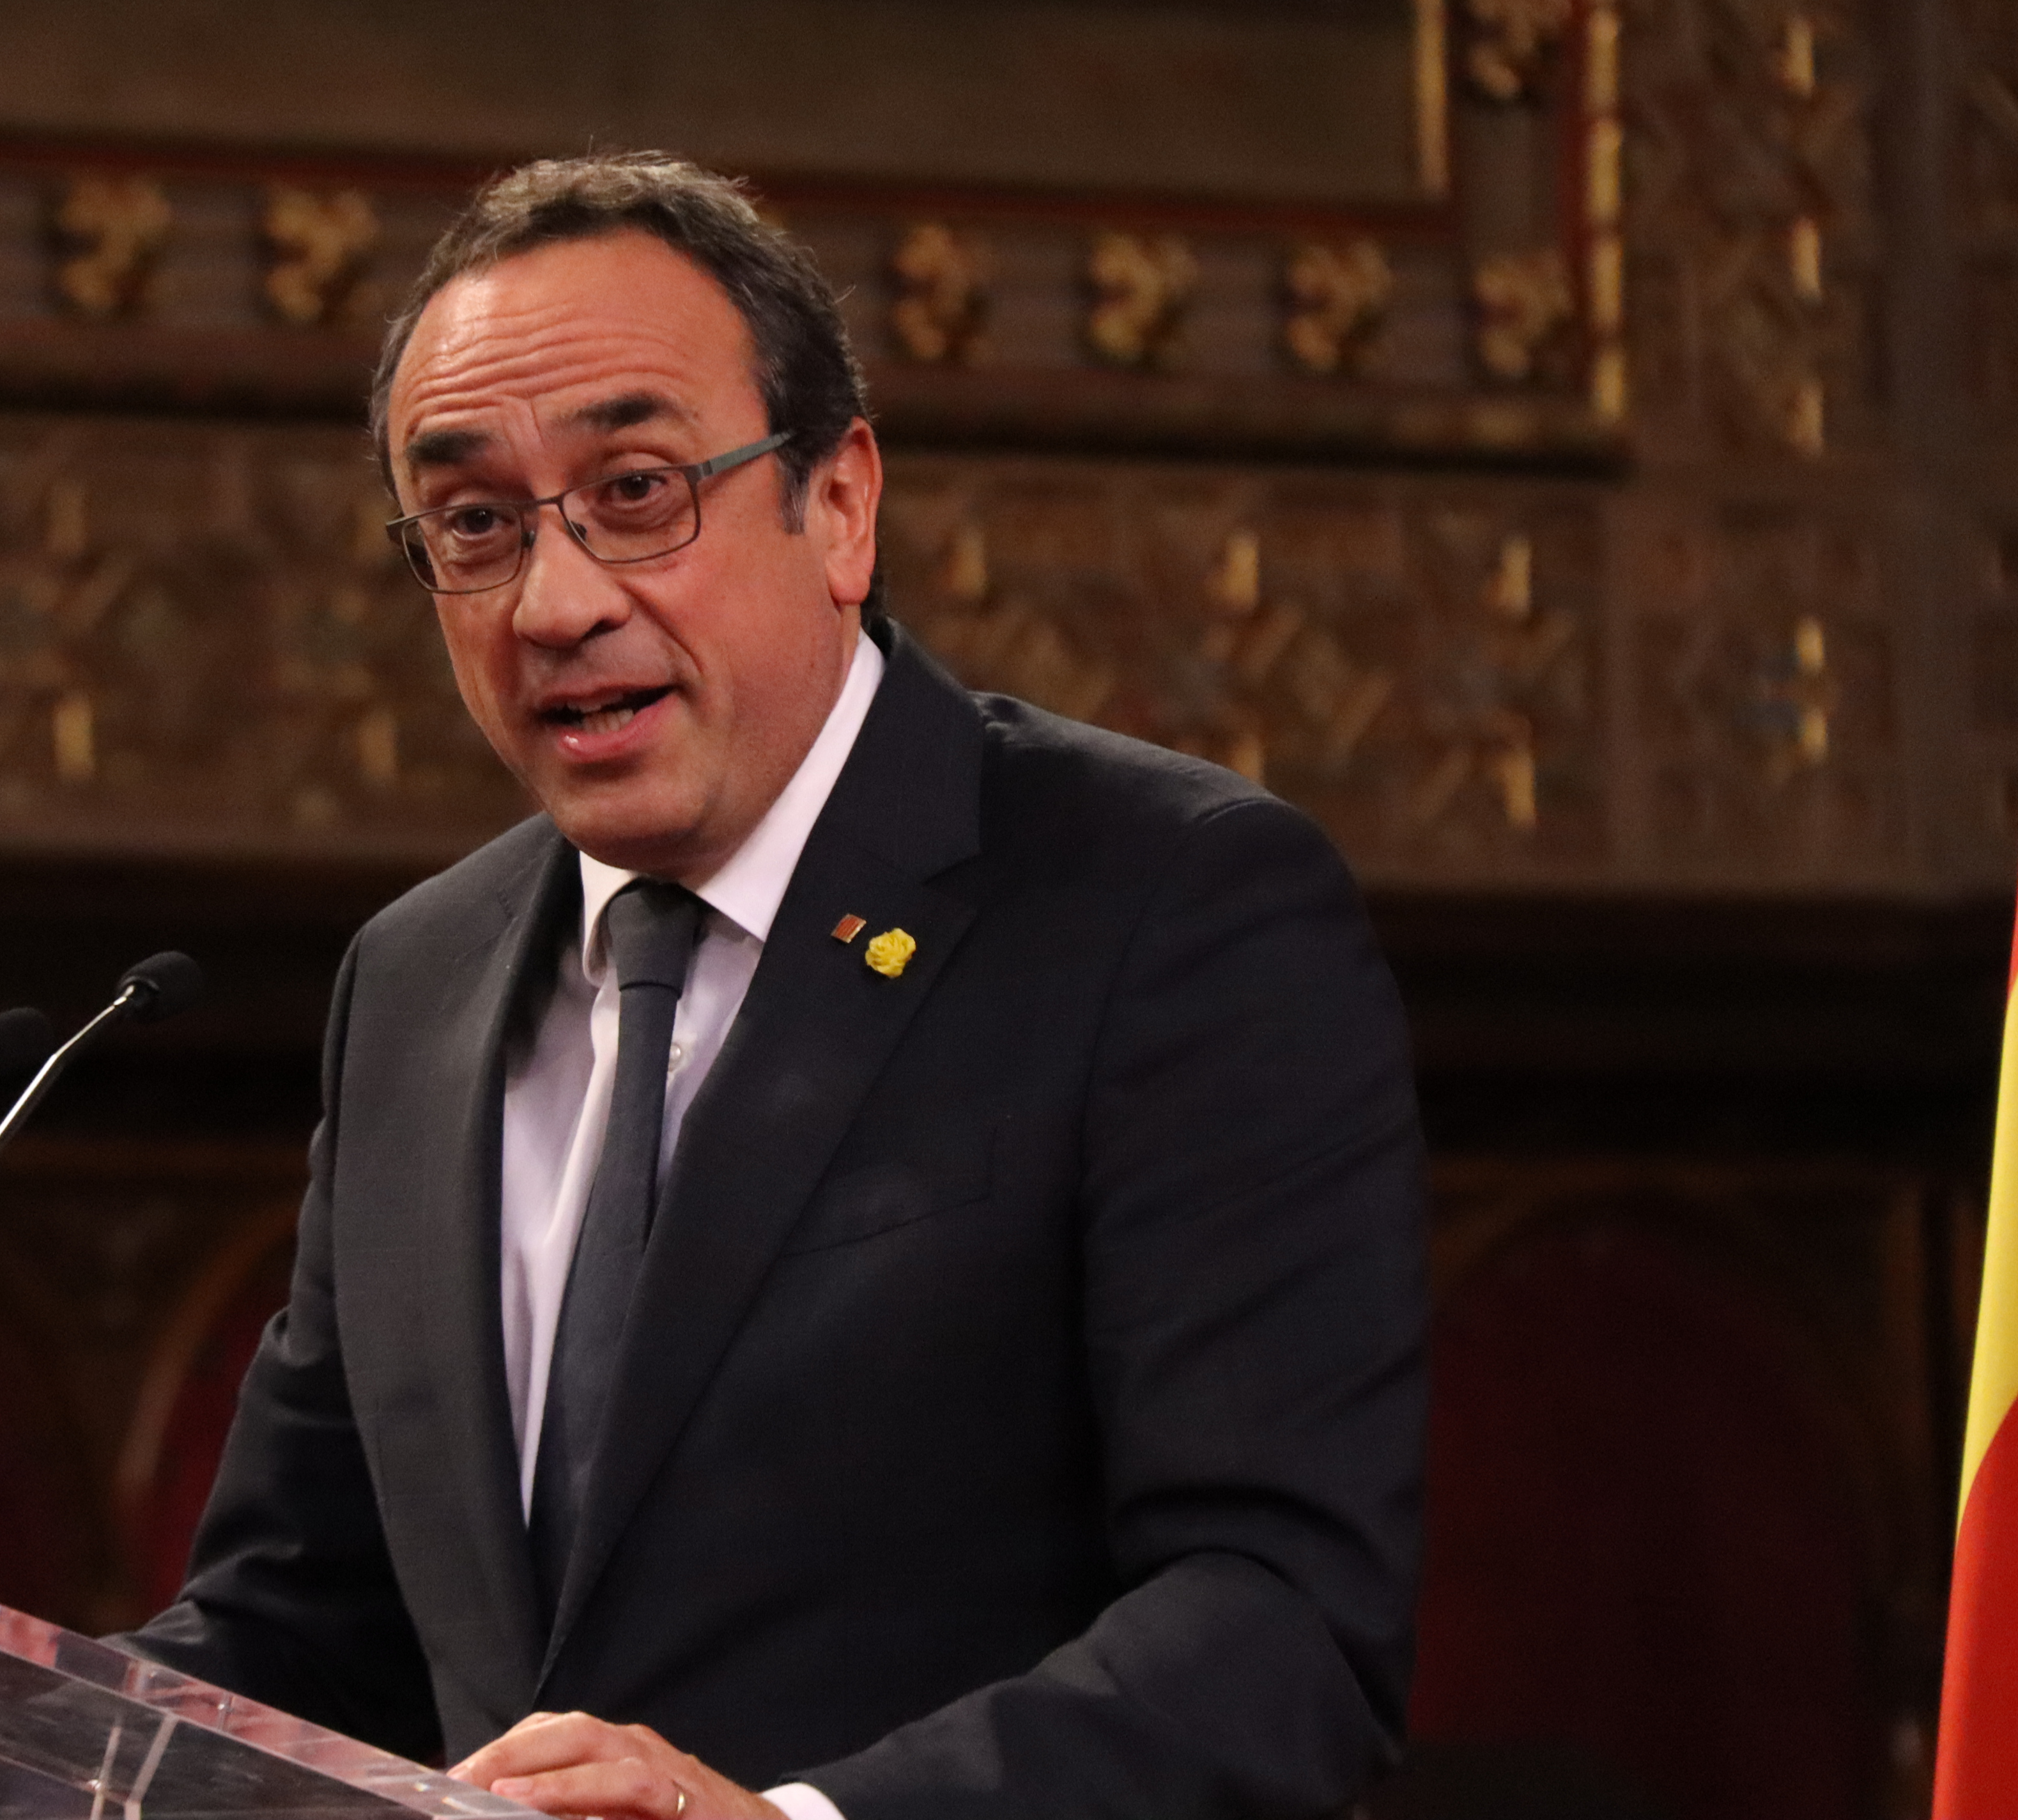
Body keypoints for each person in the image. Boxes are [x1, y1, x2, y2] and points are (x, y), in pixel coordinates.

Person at [127, 151, 1428, 1820]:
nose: (557, 602)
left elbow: (1282, 1623)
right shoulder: (418, 981)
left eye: (640, 492)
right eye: (474, 524)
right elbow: (308, 1631)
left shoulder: (1165, 905)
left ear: (841, 505)